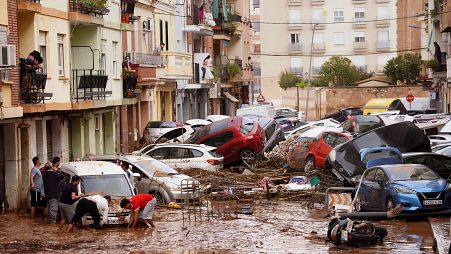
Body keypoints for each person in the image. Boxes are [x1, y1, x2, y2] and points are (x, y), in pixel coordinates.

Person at [42, 157, 64, 224]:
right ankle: (53, 224)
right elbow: (62, 176)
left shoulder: (44, 174)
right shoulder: (54, 174)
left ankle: (48, 221)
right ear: (51, 167)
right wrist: (56, 170)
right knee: (53, 210)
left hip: (47, 195)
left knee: (49, 209)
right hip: (54, 195)